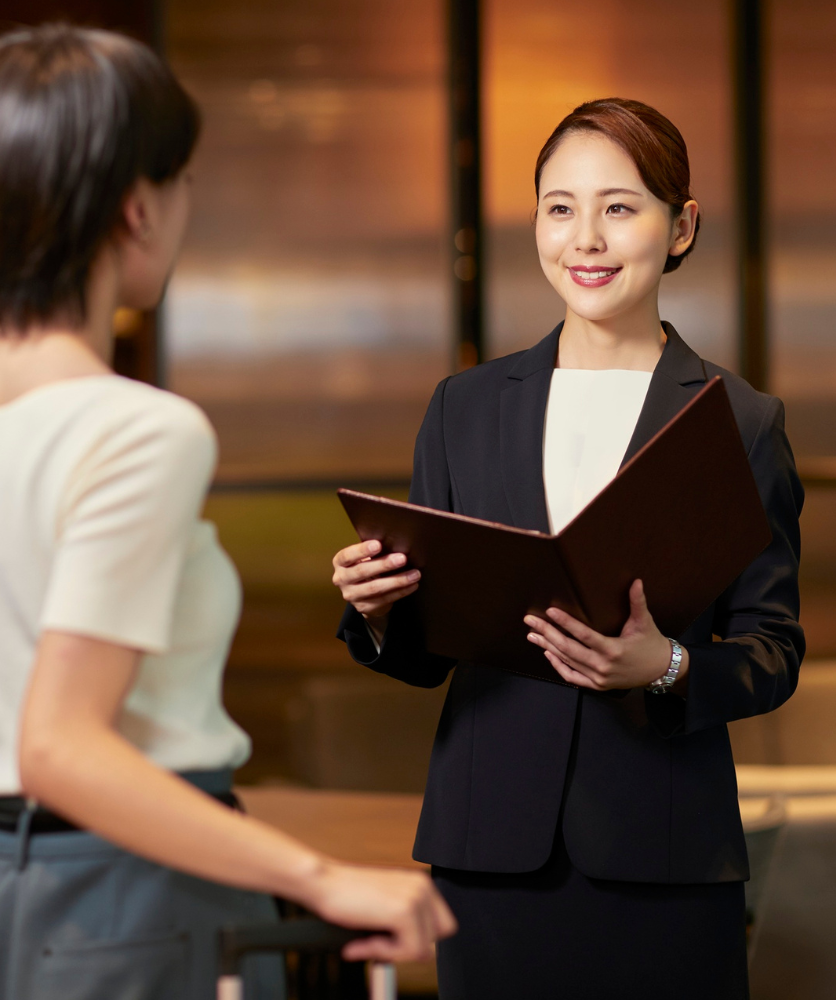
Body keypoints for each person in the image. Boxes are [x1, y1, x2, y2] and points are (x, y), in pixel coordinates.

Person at [0, 24, 454, 1000]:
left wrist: (19, 918)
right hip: (141, 899)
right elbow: (57, 745)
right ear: (137, 208)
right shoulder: (139, 430)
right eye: (184, 179)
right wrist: (323, 878)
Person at [332, 98, 804, 999]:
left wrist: (665, 667)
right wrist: (381, 608)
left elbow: (773, 649)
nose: (585, 238)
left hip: (664, 856)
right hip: (488, 853)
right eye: (560, 208)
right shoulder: (464, 406)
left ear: (681, 227)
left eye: (619, 207)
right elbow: (428, 652)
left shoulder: (740, 422)